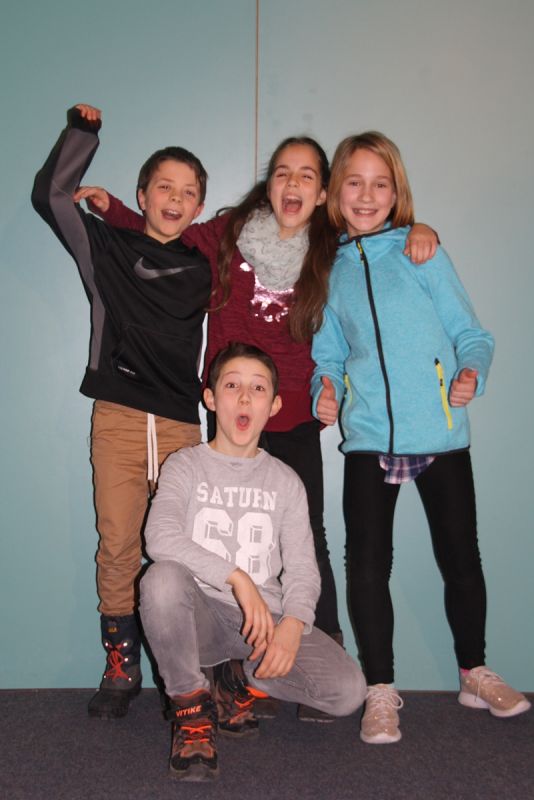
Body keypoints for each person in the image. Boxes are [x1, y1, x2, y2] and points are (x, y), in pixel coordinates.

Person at [76, 140, 437, 723]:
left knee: (306, 536)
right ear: (269, 184)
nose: (293, 184)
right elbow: (167, 230)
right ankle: (223, 669)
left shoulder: (332, 248)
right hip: (228, 412)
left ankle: (316, 645)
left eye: (307, 176)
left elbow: (374, 249)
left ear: (322, 193)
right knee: (213, 533)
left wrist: (418, 229)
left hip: (290, 413)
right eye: (282, 173)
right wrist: (116, 211)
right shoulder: (230, 232)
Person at [311, 131, 531, 744]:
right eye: (354, 182)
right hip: (368, 438)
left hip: (440, 433)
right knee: (366, 566)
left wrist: (471, 373)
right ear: (335, 192)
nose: (367, 195)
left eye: (380, 184)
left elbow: (472, 334)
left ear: (397, 192)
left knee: (461, 557)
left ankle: (474, 672)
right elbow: (328, 353)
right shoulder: (328, 269)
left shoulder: (421, 251)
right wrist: (324, 388)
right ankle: (380, 689)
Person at [32, 104, 211, 719]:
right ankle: (121, 665)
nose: (175, 199)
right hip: (118, 418)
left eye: (188, 192)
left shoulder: (203, 267)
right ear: (143, 195)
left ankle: (191, 669)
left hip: (183, 426)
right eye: (164, 187)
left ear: (198, 208)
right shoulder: (105, 247)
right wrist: (83, 134)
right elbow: (51, 197)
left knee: (186, 550)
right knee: (117, 547)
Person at [139, 341, 366, 781]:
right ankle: (192, 714)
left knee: (347, 692)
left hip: (264, 625)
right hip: (199, 617)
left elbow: (303, 569)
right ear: (210, 398)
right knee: (160, 579)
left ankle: (235, 680)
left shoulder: (286, 481)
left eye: (258, 388)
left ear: (274, 406)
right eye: (232, 386)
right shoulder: (184, 465)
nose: (245, 398)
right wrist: (237, 578)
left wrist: (293, 625)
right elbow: (159, 537)